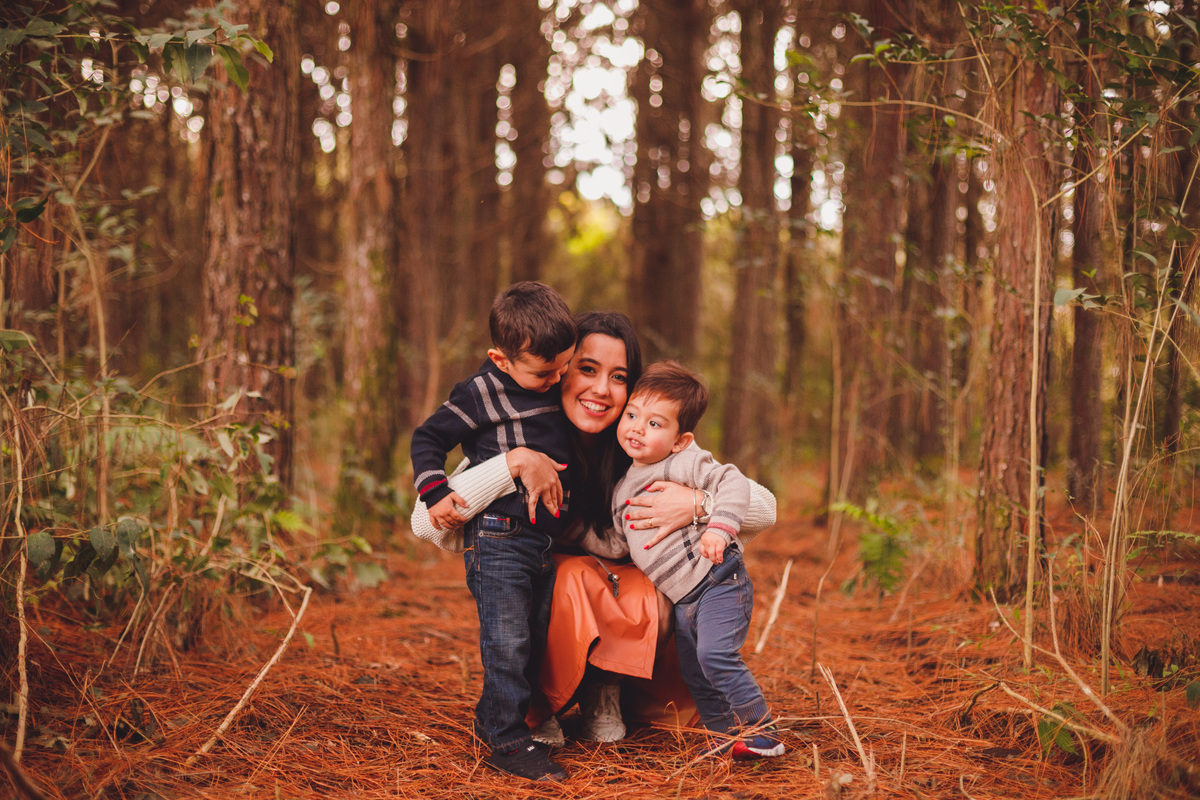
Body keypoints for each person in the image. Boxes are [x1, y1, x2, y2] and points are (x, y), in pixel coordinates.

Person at [409, 311, 777, 750]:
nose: (601, 389)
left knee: (642, 584)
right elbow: (422, 521)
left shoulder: (644, 443)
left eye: (618, 376)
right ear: (559, 371)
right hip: (556, 591)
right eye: (587, 369)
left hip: (635, 602)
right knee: (568, 576)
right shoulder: (523, 431)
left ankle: (611, 690)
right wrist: (514, 464)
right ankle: (538, 706)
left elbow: (766, 507)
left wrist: (698, 505)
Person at [408, 281, 577, 782]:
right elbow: (428, 438)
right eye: (544, 372)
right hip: (499, 537)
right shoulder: (479, 392)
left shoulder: (555, 384)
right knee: (507, 641)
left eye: (564, 367)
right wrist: (435, 493)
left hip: (545, 541)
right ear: (501, 360)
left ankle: (505, 715)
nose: (556, 379)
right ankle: (505, 740)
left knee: (536, 636)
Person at [610, 361, 784, 759]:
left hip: (719, 581)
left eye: (655, 424)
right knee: (696, 673)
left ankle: (765, 732)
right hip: (683, 601)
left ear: (679, 439)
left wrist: (718, 528)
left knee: (715, 656)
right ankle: (723, 739)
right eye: (633, 415)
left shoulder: (681, 463)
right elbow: (615, 541)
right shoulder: (621, 491)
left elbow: (732, 482)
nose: (637, 427)